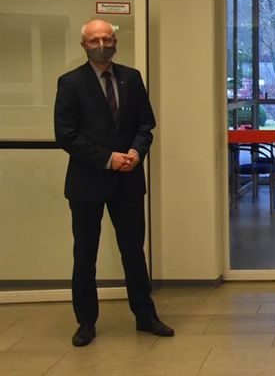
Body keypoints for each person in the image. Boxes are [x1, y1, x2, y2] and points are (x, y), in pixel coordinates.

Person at [54, 19, 174, 347]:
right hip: (87, 182)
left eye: (107, 38)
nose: (102, 44)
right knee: (85, 255)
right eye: (95, 40)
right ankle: (86, 322)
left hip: (129, 181)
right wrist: (108, 158)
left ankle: (145, 316)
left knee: (134, 252)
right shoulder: (70, 82)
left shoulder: (131, 78)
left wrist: (135, 151)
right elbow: (65, 134)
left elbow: (146, 123)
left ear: (115, 40)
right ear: (84, 45)